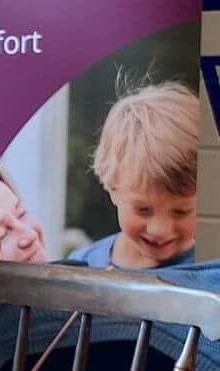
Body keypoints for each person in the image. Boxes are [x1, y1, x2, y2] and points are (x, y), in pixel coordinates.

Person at [72, 79, 199, 270]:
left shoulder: (209, 272)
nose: (159, 230)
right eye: (142, 209)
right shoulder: (82, 266)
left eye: (181, 212)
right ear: (113, 188)